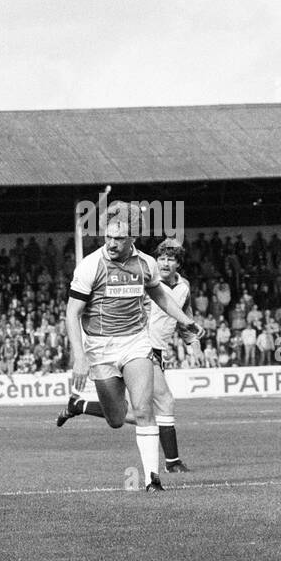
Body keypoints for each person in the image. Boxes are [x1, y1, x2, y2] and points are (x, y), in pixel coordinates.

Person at [61, 201, 201, 491]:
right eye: (108, 237)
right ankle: (83, 405)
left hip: (136, 342)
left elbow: (161, 296)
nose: (111, 243)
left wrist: (185, 321)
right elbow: (72, 314)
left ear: (132, 238)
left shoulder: (146, 264)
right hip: (100, 349)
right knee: (115, 417)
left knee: (144, 408)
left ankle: (153, 480)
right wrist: (79, 357)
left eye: (119, 238)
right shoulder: (89, 266)